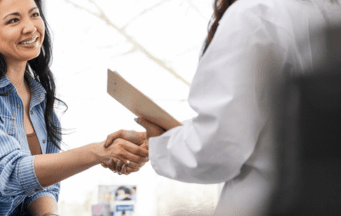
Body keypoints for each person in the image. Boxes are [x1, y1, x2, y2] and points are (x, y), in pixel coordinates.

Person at [0, 0, 150, 215]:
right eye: (14, 20)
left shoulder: (40, 100)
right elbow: (7, 175)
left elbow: (40, 184)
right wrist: (100, 152)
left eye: (34, 14)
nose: (30, 27)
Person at [102, 0, 341, 215]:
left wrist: (162, 145)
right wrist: (157, 137)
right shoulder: (328, 12)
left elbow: (219, 148)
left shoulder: (254, 14)